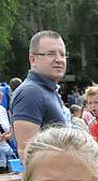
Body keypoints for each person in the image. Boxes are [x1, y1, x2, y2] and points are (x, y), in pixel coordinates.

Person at [11, 30, 68, 161]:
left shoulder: (48, 90)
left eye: (62, 54)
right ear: (33, 59)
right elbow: (27, 151)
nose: (59, 60)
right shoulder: (30, 93)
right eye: (51, 54)